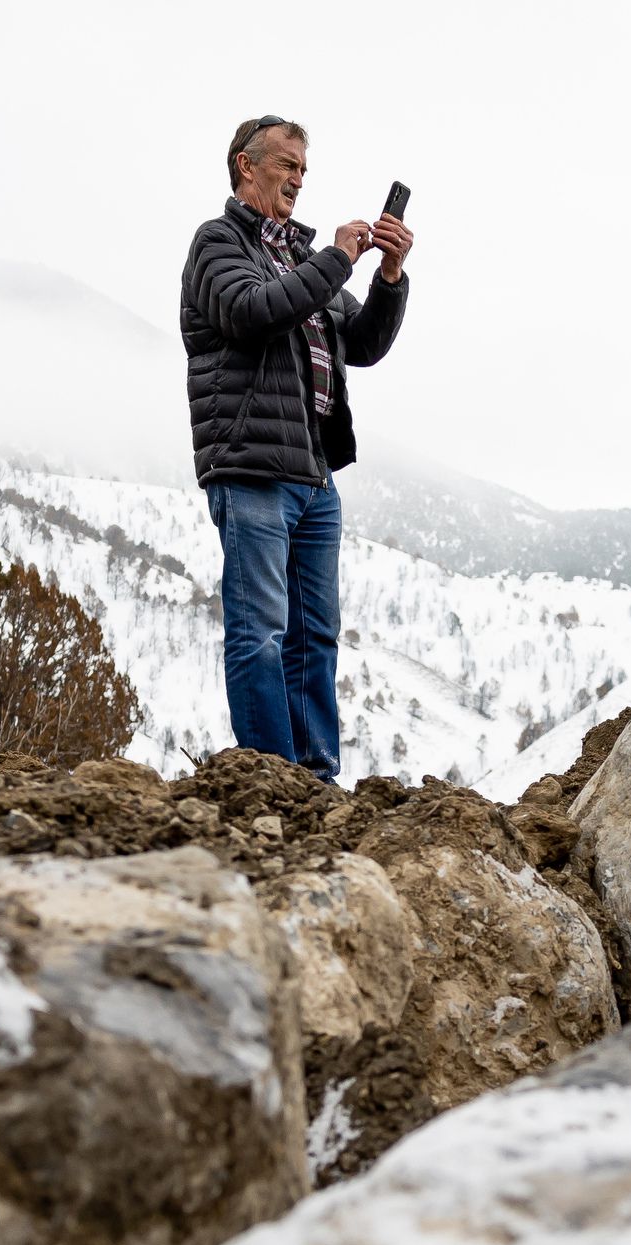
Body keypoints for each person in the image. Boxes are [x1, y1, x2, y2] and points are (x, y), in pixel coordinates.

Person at [181, 115, 412, 779]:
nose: (298, 179)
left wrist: (389, 276)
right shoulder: (218, 244)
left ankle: (314, 777)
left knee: (314, 637)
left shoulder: (297, 263)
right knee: (262, 633)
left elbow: (361, 343)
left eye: (304, 169)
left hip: (314, 476)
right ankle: (270, 781)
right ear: (245, 166)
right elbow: (250, 312)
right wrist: (337, 257)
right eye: (287, 164)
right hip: (251, 466)